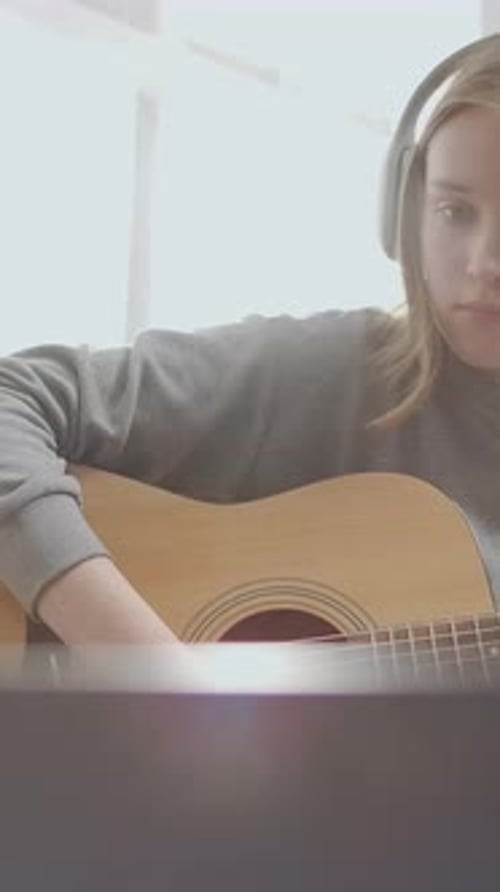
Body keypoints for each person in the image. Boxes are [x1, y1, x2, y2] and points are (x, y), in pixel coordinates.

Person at [1, 33, 500, 646]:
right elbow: (9, 397)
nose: (484, 263)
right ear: (404, 214)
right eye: (455, 212)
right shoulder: (335, 371)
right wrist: (146, 663)